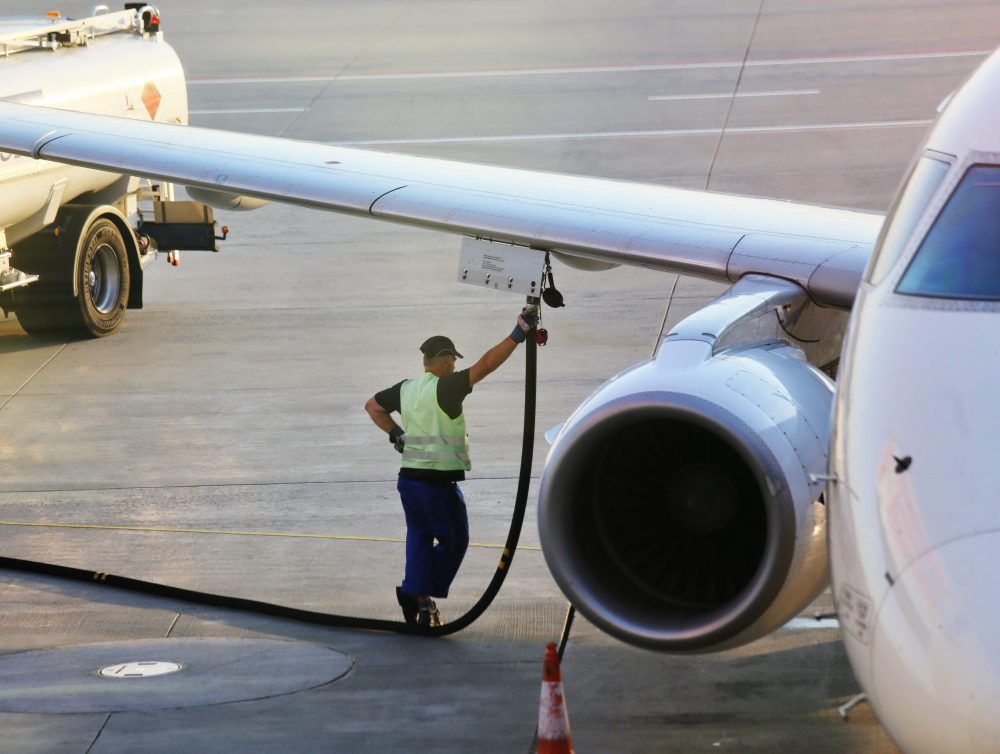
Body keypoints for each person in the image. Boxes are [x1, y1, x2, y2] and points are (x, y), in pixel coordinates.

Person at [364, 308, 537, 628]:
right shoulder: (448, 387)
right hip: (437, 485)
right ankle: (420, 592)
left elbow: (372, 406)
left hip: (409, 482)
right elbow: (485, 365)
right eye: (453, 361)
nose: (456, 366)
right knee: (455, 538)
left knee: (418, 536)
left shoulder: (406, 388)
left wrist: (395, 433)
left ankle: (418, 599)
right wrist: (518, 333)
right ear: (444, 362)